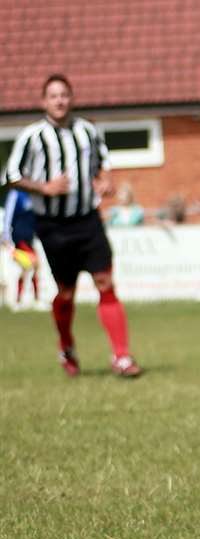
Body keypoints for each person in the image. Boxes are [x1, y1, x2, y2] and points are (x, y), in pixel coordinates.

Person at [1, 73, 142, 377]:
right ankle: (66, 345)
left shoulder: (87, 131)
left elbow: (104, 164)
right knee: (66, 292)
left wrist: (104, 181)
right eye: (53, 96)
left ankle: (122, 356)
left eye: (64, 95)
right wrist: (44, 187)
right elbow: (11, 176)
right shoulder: (33, 136)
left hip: (87, 221)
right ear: (44, 102)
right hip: (53, 225)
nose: (60, 101)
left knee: (105, 282)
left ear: (72, 98)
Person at [3, 185, 41, 309]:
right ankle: (34, 300)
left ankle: (20, 301)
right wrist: (6, 236)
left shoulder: (33, 192)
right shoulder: (16, 193)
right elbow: (8, 215)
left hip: (30, 237)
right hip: (20, 237)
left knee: (26, 269)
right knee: (34, 264)